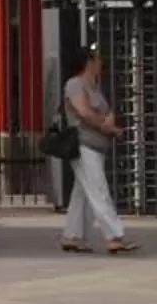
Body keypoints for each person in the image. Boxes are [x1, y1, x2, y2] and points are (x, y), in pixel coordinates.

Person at [58, 43, 136, 256]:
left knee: (82, 193)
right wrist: (105, 125)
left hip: (97, 145)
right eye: (98, 58)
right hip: (84, 145)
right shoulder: (75, 84)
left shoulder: (94, 86)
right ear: (88, 62)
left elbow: (103, 113)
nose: (101, 62)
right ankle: (114, 236)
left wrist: (110, 124)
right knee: (99, 191)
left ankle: (72, 236)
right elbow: (84, 112)